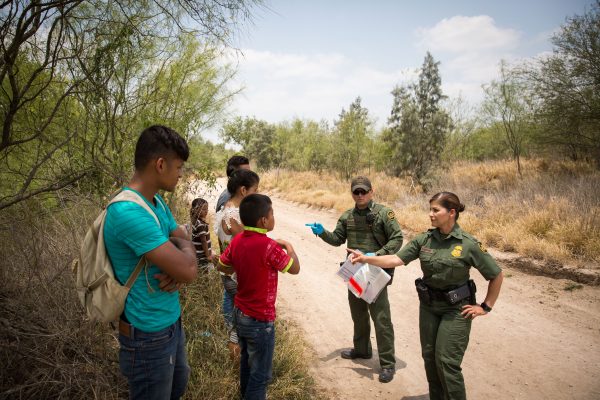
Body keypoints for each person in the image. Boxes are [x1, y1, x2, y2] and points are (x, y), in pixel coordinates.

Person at [349, 191, 504, 400]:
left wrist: (485, 306)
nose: (430, 214)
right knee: (430, 358)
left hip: (456, 309)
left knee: (447, 361)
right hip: (429, 307)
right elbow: (395, 259)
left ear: (451, 213)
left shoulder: (468, 243)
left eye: (435, 210)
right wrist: (367, 259)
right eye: (430, 209)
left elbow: (496, 275)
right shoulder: (424, 239)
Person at [104, 125, 198, 400]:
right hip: (147, 335)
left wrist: (180, 260)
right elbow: (191, 269)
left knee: (177, 388)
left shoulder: (155, 202)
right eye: (179, 167)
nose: (181, 174)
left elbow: (185, 241)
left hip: (171, 322)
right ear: (160, 164)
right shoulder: (128, 211)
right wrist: (181, 263)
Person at [307, 176, 403, 383]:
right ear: (352, 193)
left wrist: (376, 255)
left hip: (375, 270)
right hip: (355, 271)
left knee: (381, 319)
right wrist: (322, 232)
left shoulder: (384, 213)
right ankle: (362, 350)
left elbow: (397, 238)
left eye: (364, 191)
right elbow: (337, 239)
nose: (360, 195)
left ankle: (387, 363)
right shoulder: (347, 216)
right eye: (356, 192)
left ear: (371, 192)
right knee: (358, 314)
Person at [217, 193, 300, 400]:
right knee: (260, 375)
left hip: (241, 314)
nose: (273, 217)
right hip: (260, 320)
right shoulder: (270, 246)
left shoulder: (237, 241)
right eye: (272, 214)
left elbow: (222, 265)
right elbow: (294, 269)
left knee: (247, 363)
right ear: (263, 220)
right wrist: (289, 247)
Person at [214, 169, 260, 359]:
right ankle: (240, 367)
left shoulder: (225, 208)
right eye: (255, 190)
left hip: (229, 273)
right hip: (238, 275)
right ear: (243, 190)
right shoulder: (234, 215)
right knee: (242, 324)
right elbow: (249, 245)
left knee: (237, 322)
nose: (257, 194)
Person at [190, 197, 213, 272]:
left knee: (201, 274)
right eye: (203, 209)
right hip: (202, 257)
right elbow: (203, 241)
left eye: (207, 209)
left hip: (199, 255)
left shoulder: (197, 222)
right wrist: (208, 256)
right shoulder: (200, 225)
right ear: (196, 210)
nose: (206, 211)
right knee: (204, 275)